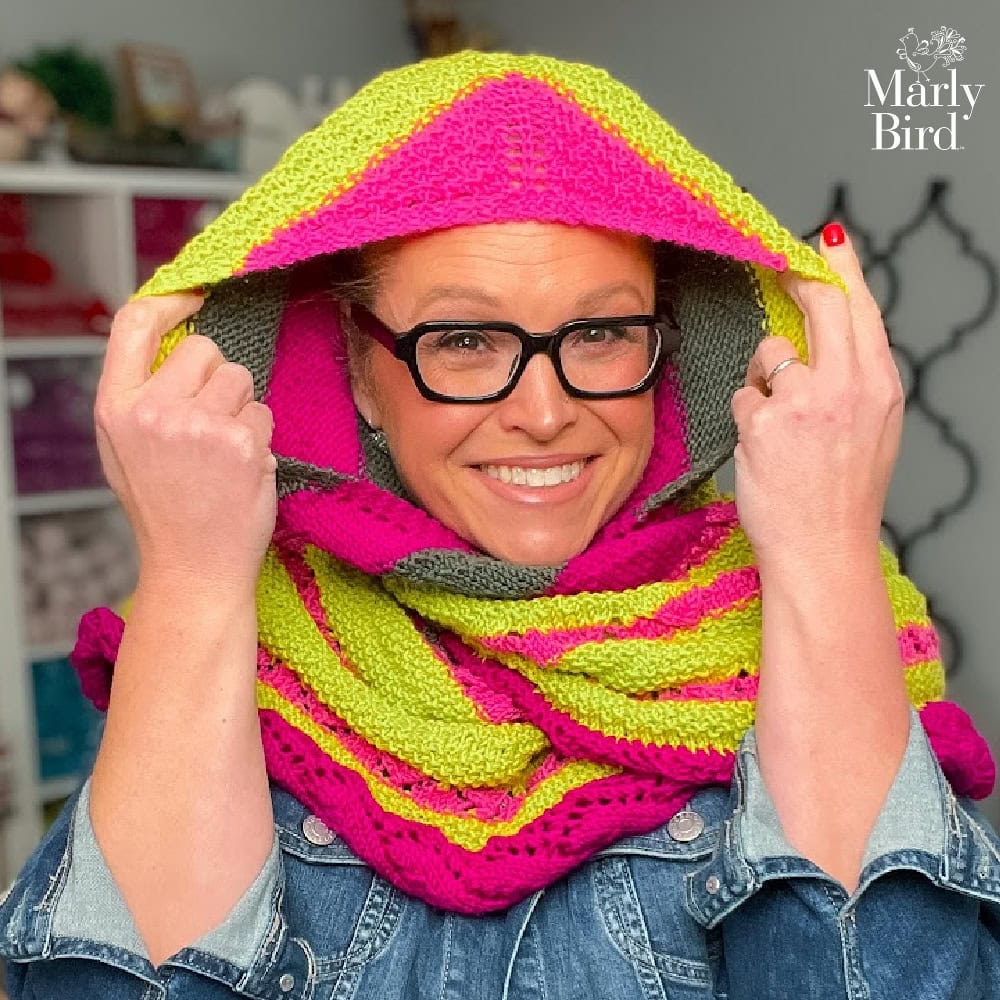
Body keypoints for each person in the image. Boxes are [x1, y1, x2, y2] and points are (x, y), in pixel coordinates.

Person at [2, 49, 998, 999]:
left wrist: (825, 550)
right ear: (356, 366)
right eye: (466, 339)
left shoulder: (808, 616)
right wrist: (189, 574)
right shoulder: (223, 628)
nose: (544, 411)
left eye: (602, 332)